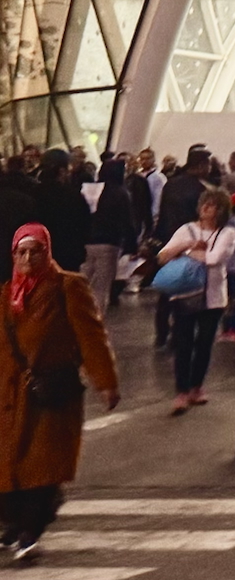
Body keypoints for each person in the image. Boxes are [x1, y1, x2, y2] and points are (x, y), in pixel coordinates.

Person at [0, 224, 118, 563]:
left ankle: (30, 530)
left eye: (35, 251)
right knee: (9, 463)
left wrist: (106, 381)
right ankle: (13, 523)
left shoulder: (68, 287)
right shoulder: (6, 293)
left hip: (50, 393)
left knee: (44, 464)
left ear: (47, 252)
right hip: (9, 396)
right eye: (21, 252)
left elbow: (91, 336)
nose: (27, 258)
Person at [153, 187, 235, 415]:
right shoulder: (186, 230)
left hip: (213, 297)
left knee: (204, 344)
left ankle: (196, 386)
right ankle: (181, 391)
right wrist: (187, 246)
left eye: (212, 205)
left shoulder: (227, 233)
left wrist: (186, 254)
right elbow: (162, 256)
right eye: (204, 203)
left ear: (221, 210)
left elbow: (214, 258)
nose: (205, 208)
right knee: (183, 343)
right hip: (185, 296)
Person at [84, 158, 135, 309]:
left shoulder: (89, 190)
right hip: (109, 243)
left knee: (83, 282)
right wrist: (131, 246)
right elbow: (127, 221)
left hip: (86, 242)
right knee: (101, 287)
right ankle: (96, 318)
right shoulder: (121, 193)